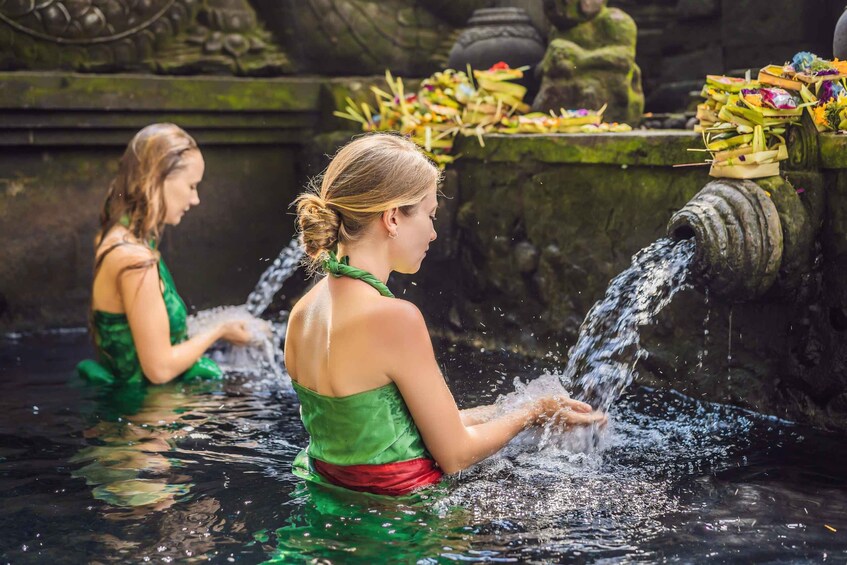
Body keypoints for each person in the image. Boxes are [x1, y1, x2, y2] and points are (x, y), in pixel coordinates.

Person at [284, 133, 606, 496]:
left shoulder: (304, 311)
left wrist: (526, 406)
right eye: (429, 214)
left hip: (324, 506)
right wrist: (531, 413)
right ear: (392, 218)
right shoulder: (394, 318)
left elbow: (394, 430)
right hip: (401, 526)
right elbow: (456, 454)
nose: (434, 233)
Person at [77, 123, 252, 386]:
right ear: (157, 179)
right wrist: (220, 330)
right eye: (191, 186)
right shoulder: (135, 260)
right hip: (150, 420)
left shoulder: (114, 236)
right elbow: (159, 369)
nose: (196, 199)